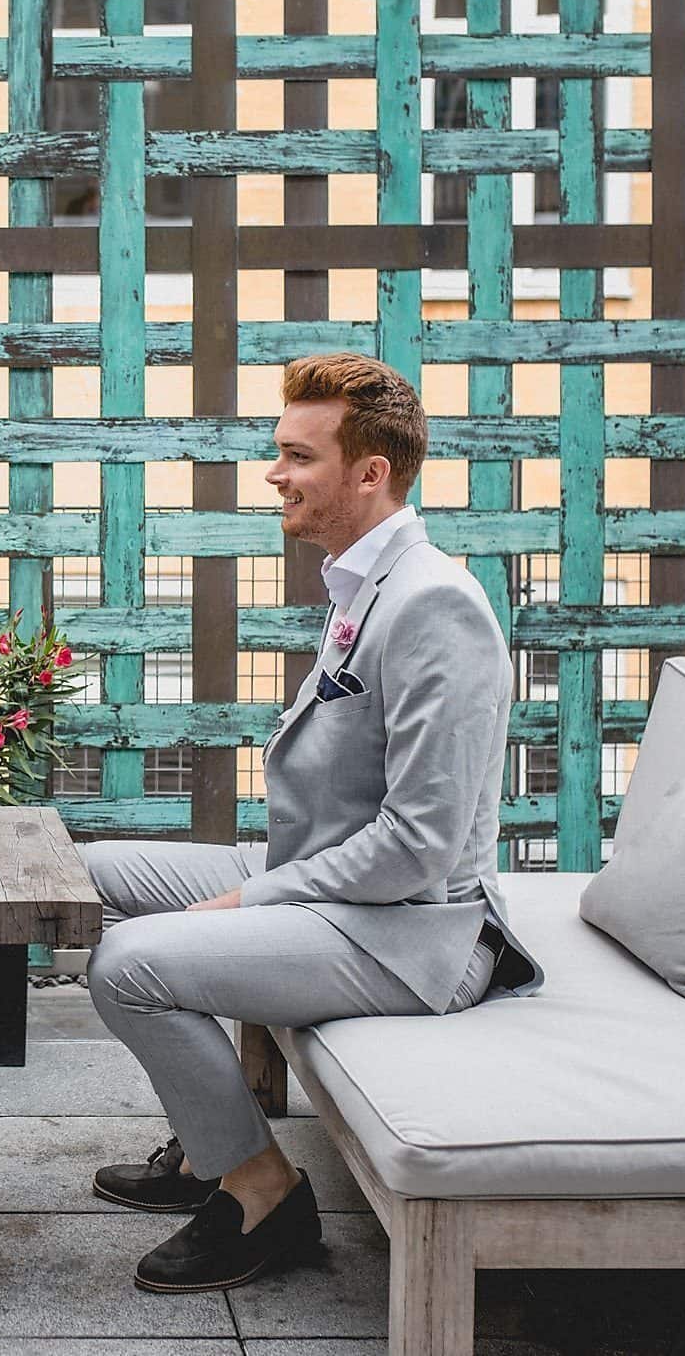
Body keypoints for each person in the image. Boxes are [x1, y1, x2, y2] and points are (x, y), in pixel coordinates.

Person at [81, 352, 543, 1294]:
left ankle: (262, 1194)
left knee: (127, 963)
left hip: (412, 933)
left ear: (370, 473)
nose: (274, 473)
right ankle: (213, 1128)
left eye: (297, 455)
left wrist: (252, 896)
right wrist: (259, 888)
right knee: (84, 872)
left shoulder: (434, 605)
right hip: (335, 878)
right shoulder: (363, 582)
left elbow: (419, 845)